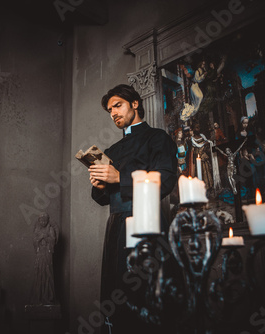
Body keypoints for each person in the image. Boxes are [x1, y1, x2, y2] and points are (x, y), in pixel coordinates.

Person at [88, 84, 177, 333]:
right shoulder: (111, 151)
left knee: (145, 293)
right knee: (115, 294)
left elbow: (165, 180)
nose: (113, 113)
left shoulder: (157, 138)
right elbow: (101, 198)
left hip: (146, 223)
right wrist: (100, 184)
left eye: (118, 105)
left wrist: (119, 178)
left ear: (135, 103)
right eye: (109, 110)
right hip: (115, 226)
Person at [30, 212, 59, 305]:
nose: (43, 222)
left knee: (47, 273)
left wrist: (45, 237)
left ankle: (48, 296)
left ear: (47, 220)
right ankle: (39, 296)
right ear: (39, 221)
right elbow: (34, 241)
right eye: (41, 220)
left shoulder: (50, 229)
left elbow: (53, 240)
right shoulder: (37, 230)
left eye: (45, 220)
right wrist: (39, 238)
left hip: (47, 253)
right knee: (39, 273)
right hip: (40, 254)